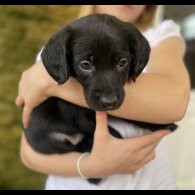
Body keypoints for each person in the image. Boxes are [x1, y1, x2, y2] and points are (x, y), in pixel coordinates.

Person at [16, 5, 190, 190]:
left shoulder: (160, 37)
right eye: (85, 65)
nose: (108, 98)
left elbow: (175, 102)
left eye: (122, 63)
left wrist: (47, 81)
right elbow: (29, 151)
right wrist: (91, 166)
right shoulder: (64, 43)